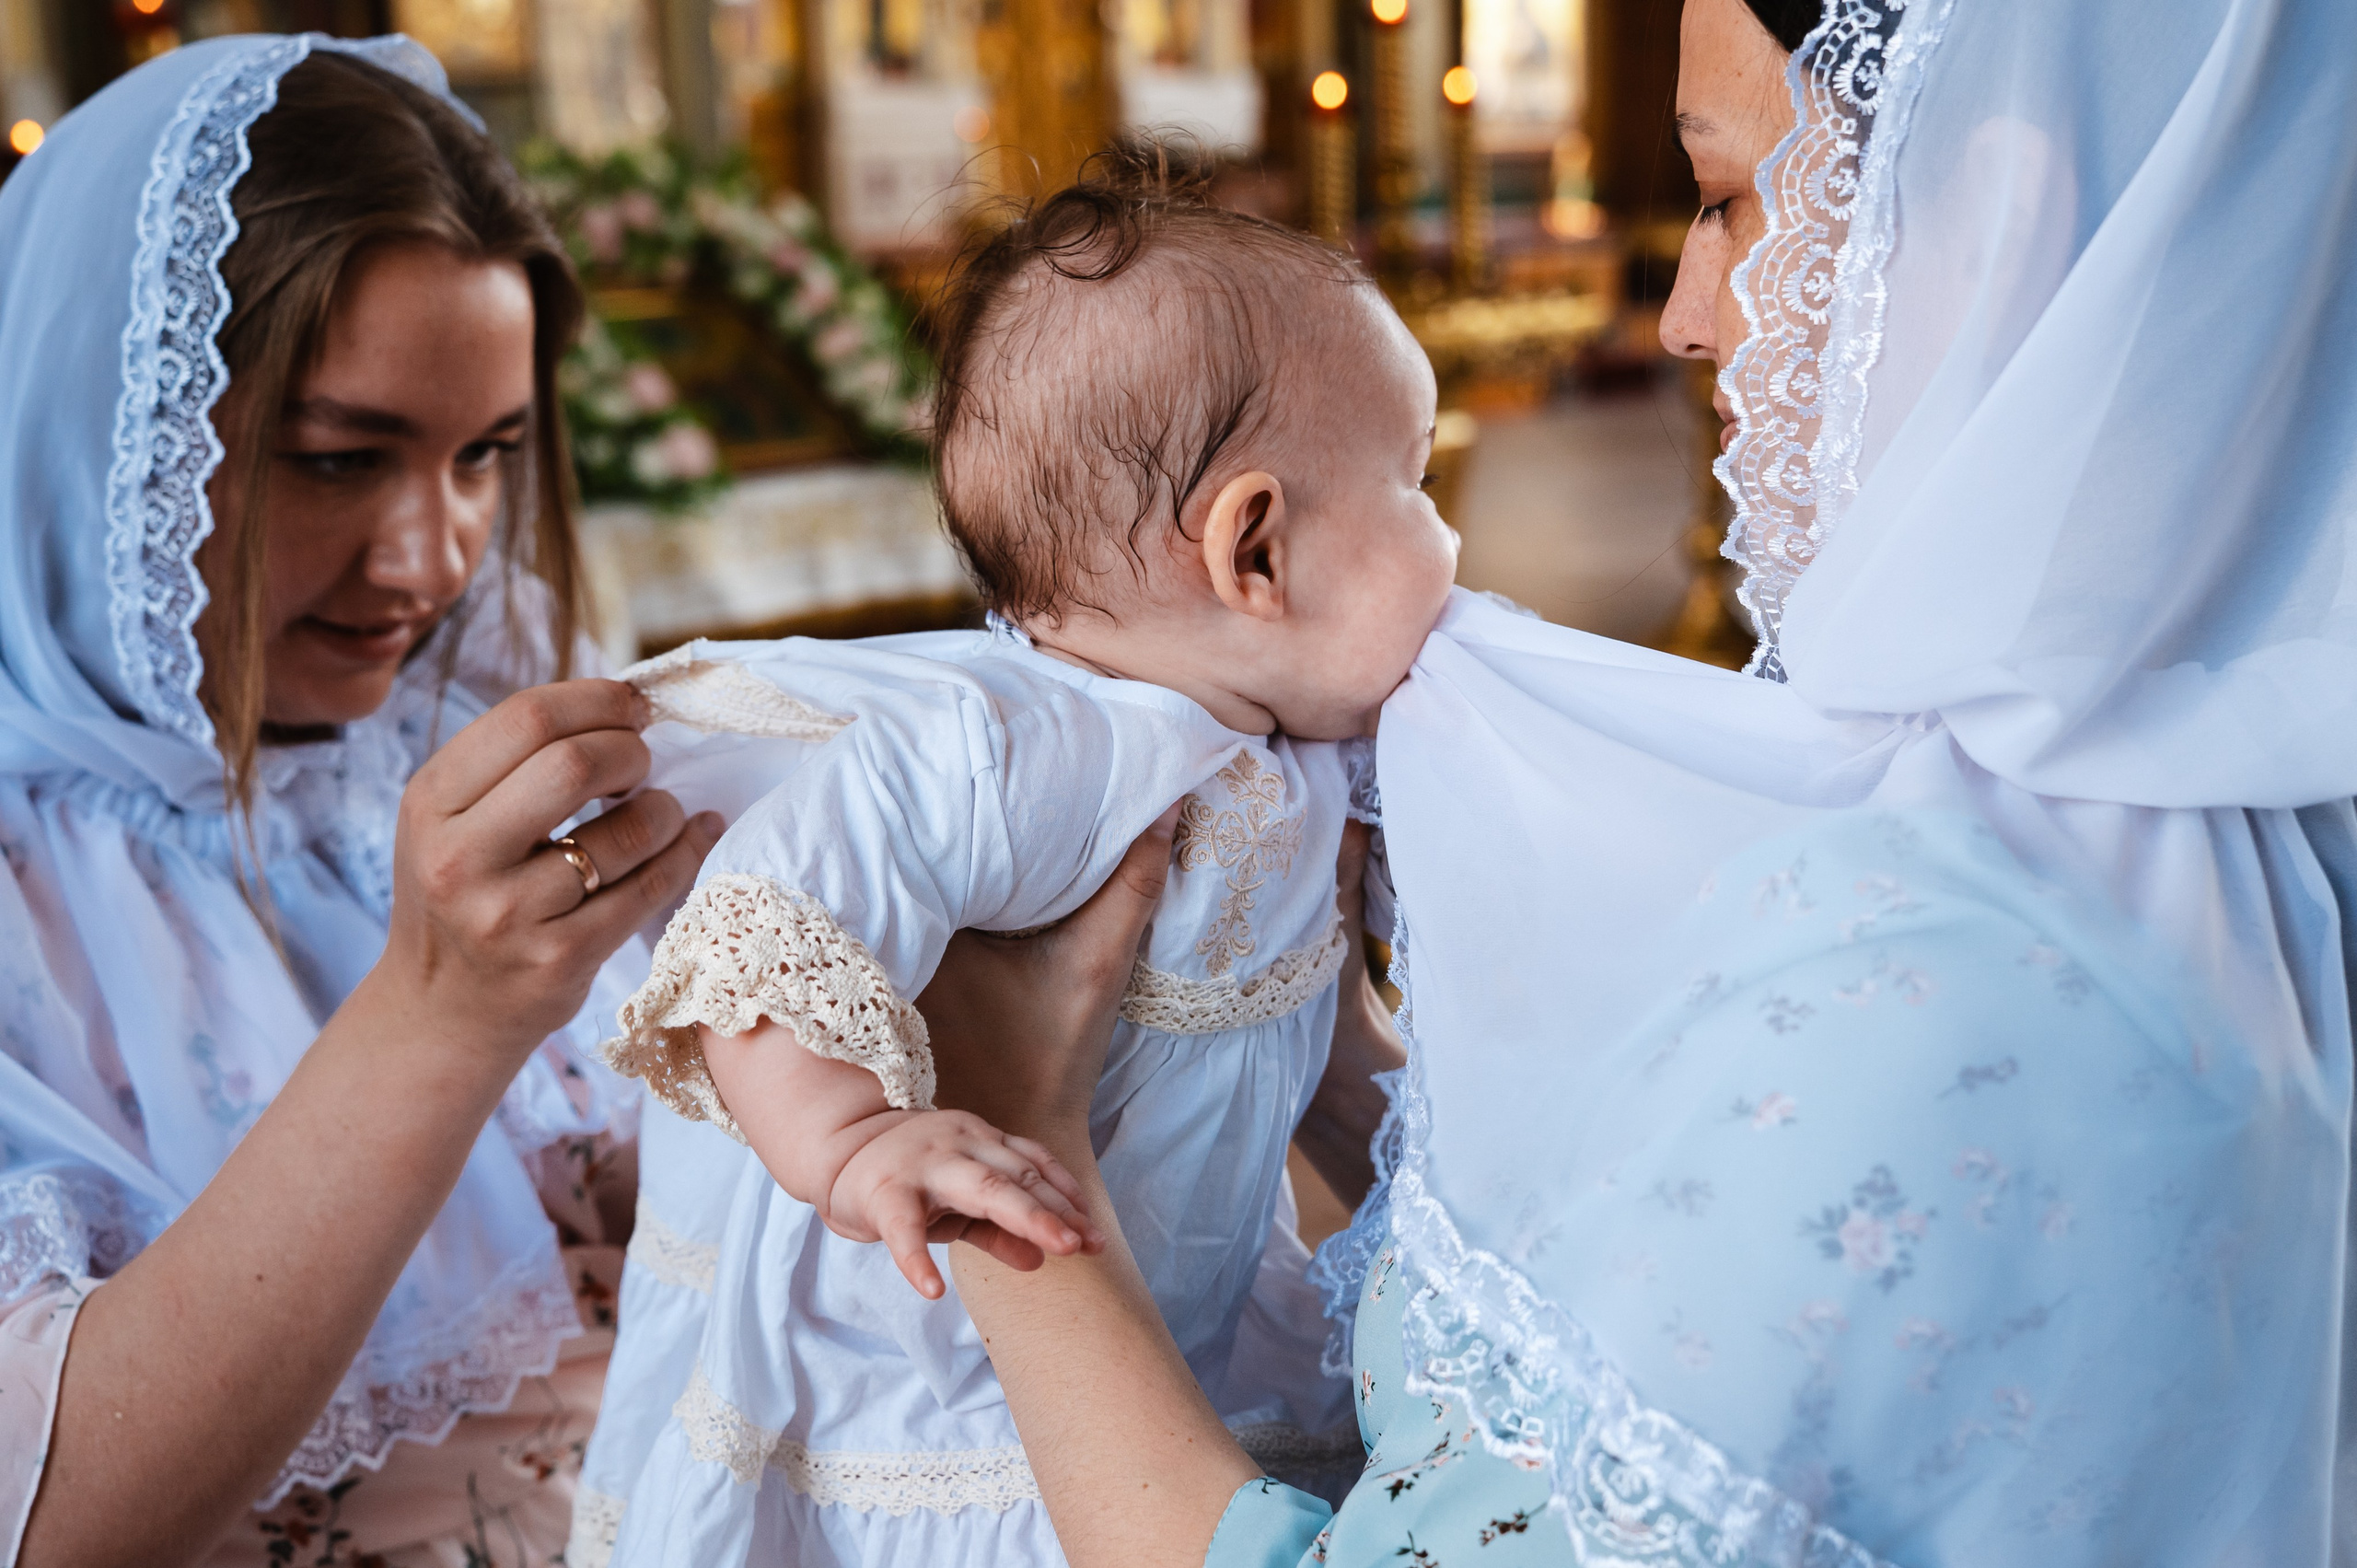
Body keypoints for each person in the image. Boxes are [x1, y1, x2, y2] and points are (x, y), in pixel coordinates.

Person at [924, 0, 2357, 1564]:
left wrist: (1013, 1160)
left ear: (1999, 218)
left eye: (1731, 199)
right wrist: (1339, 1062)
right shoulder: (2243, 808)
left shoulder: (1930, 966)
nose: (1687, 313)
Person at [571, 145, 1453, 1566]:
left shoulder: (1300, 759)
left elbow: (1358, 1018)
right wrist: (857, 1138)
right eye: (1415, 485)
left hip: (1170, 1324)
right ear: (1257, 549)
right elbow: (762, 933)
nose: (1450, 538)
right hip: (952, 1379)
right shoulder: (1009, 748)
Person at [0, 37, 726, 1566]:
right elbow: (52, 1525)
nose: (434, 558)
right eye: (338, 459)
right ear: (100, 446)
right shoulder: (25, 884)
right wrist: (440, 1017)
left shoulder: (478, 721)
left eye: (488, 456)